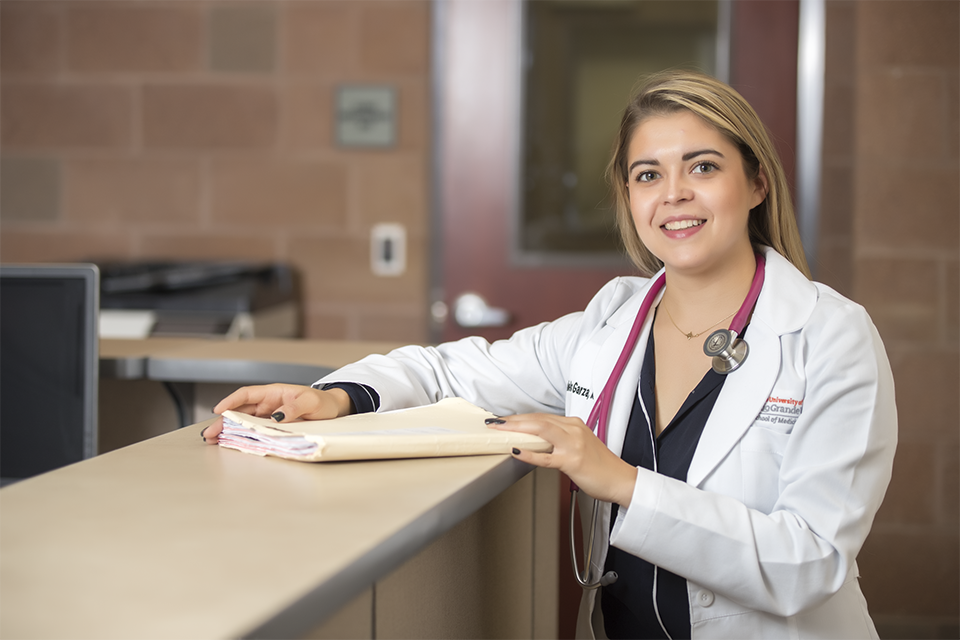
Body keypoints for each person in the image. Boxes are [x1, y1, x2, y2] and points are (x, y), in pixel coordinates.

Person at [203, 70, 897, 640]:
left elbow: (810, 561)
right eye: (647, 175)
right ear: (629, 198)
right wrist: (332, 397)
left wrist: (619, 480)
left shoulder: (828, 336)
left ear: (756, 183)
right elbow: (449, 369)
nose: (674, 194)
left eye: (703, 167)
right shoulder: (610, 325)